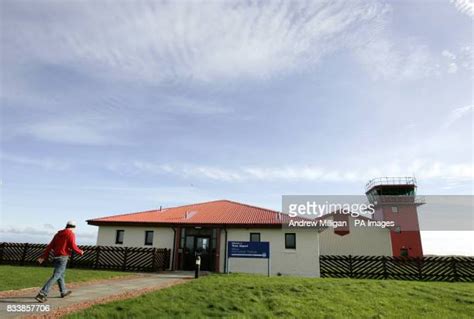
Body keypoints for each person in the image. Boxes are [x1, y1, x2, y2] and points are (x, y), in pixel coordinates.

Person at [35, 220, 84, 303]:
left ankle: (63, 292)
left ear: (67, 225)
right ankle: (42, 293)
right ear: (74, 227)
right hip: (63, 258)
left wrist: (43, 257)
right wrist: (80, 252)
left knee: (60, 275)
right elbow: (72, 245)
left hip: (56, 257)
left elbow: (50, 246)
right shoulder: (71, 234)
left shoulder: (57, 234)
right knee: (56, 275)